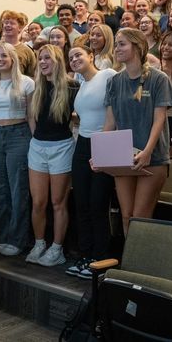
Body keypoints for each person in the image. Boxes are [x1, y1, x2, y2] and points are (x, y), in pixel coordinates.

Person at [101, 28, 172, 233]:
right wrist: (100, 154)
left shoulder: (159, 78)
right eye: (116, 44)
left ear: (138, 46)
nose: (117, 48)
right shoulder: (114, 81)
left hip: (153, 157)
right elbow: (109, 122)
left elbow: (159, 119)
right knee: (126, 215)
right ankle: (129, 263)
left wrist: (148, 151)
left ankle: (142, 264)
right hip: (122, 157)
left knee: (141, 217)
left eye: (122, 43)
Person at [65, 44, 117, 279]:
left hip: (104, 142)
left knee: (98, 204)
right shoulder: (82, 84)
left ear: (91, 56)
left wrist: (104, 146)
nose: (74, 59)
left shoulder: (108, 75)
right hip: (83, 144)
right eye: (71, 57)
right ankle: (85, 256)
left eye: (78, 55)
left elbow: (112, 111)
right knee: (81, 203)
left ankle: (101, 258)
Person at [25, 45, 78, 267]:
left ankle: (57, 249)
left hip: (62, 147)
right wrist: (35, 139)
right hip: (38, 146)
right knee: (38, 202)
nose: (43, 62)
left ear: (57, 60)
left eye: (48, 58)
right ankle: (39, 244)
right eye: (40, 58)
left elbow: (79, 116)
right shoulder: (36, 86)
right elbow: (31, 117)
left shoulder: (72, 86)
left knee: (58, 202)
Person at [0, 42, 35, 257]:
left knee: (17, 189)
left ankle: (18, 239)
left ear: (13, 58)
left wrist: (35, 143)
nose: (0, 59)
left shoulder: (27, 83)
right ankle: (1, 236)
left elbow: (31, 116)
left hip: (19, 134)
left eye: (4, 55)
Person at [0, 10, 37, 76]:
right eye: (6, 23)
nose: (8, 25)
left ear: (19, 28)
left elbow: (32, 76)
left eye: (12, 23)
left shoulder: (28, 51)